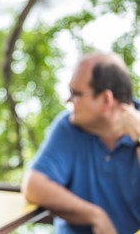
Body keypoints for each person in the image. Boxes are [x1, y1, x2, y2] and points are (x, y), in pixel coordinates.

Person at [22, 52, 140, 234]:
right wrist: (95, 215)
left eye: (75, 93)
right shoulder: (68, 126)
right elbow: (33, 186)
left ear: (106, 99)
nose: (67, 100)